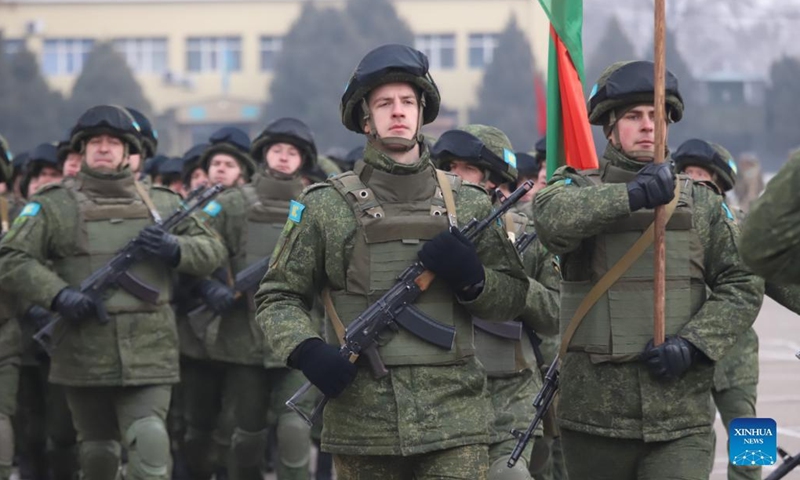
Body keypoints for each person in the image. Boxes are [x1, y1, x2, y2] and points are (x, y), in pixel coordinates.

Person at [255, 44, 528, 480]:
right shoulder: (325, 206)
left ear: (422, 112)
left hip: (455, 420)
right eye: (384, 104)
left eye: (407, 102)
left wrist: (475, 281)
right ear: (366, 119)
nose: (397, 112)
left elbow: (513, 298)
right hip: (362, 422)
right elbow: (277, 296)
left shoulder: (471, 203)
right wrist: (307, 351)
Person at [532, 60, 764, 480]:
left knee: (750, 436)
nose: (648, 127)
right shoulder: (579, 191)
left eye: (657, 117)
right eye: (635, 117)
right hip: (596, 415)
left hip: (716, 366)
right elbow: (553, 218)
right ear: (610, 127)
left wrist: (695, 344)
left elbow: (747, 280)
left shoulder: (709, 207)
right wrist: (632, 195)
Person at [0, 105, 226, 480]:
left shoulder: (163, 204)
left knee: (150, 444)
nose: (104, 148)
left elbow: (213, 250)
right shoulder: (54, 204)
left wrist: (174, 249)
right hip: (83, 350)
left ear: (128, 152)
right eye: (95, 142)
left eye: (113, 142)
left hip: (150, 351)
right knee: (97, 454)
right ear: (82, 150)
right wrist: (58, 295)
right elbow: (10, 258)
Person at [432, 125, 560, 479]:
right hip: (438, 400)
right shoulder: (421, 235)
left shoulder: (527, 235)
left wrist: (505, 283)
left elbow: (555, 313)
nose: (453, 178)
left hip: (510, 397)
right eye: (448, 168)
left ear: (491, 179)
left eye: (465, 169)